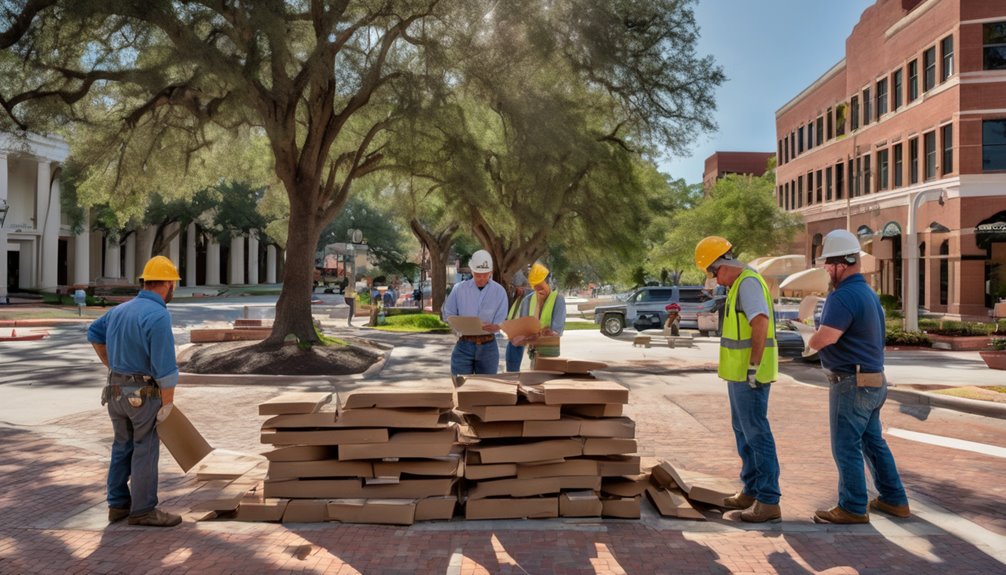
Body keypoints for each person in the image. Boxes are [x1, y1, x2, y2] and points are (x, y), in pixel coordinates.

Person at [808, 229, 909, 524]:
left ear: (843, 263)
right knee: (872, 443)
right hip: (874, 380)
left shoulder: (843, 296)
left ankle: (852, 507)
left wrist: (809, 340)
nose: (826, 268)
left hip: (852, 383)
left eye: (829, 263)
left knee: (845, 446)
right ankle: (894, 499)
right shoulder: (866, 293)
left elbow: (826, 337)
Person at [86, 256, 183, 528]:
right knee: (145, 447)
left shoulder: (120, 310)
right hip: (142, 395)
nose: (173, 288)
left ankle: (117, 505)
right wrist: (168, 407)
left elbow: (94, 333)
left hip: (115, 391)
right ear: (166, 283)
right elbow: (165, 369)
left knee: (121, 446)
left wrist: (112, 365)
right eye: (173, 283)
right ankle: (143, 510)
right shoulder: (158, 315)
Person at [694, 236, 782, 523]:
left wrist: (754, 366)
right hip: (739, 376)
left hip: (750, 375)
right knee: (743, 432)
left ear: (725, 263)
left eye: (713, 271)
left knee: (757, 433)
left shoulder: (748, 283)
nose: (714, 279)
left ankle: (768, 500)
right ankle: (752, 489)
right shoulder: (736, 286)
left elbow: (760, 322)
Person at [442, 249, 508, 376]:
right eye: (478, 274)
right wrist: (456, 325)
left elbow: (502, 320)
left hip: (488, 347)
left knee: (485, 390)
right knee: (460, 388)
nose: (481, 278)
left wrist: (497, 326)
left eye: (485, 274)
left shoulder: (499, 292)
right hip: (464, 345)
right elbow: (448, 313)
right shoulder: (459, 289)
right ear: (471, 271)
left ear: (491, 272)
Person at [513, 262, 566, 367]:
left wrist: (547, 332)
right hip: (533, 351)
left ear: (548, 283)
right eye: (535, 287)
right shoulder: (527, 300)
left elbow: (557, 330)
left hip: (550, 350)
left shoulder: (558, 300)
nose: (539, 290)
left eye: (541, 286)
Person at [504, 269, 530, 372]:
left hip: (519, 335)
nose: (514, 290)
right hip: (513, 334)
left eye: (515, 287)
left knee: (513, 367)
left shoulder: (527, 297)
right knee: (511, 363)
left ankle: (513, 378)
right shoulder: (518, 298)